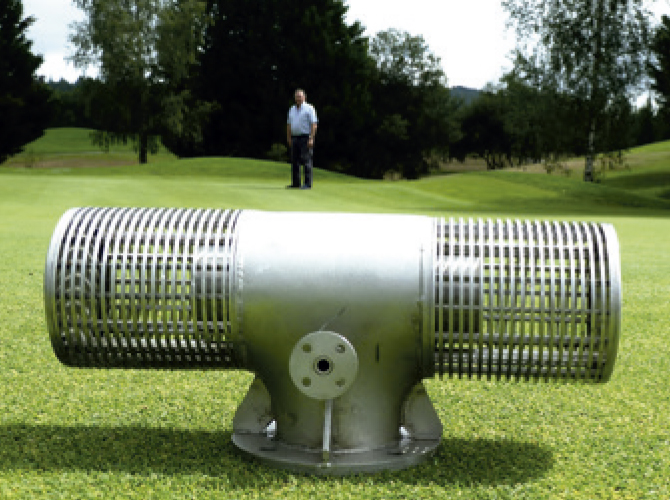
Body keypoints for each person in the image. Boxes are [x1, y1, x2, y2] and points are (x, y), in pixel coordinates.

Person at [286, 89, 318, 189]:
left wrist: (311, 138)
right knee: (295, 161)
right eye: (297, 97)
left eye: (300, 96)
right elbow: (289, 124)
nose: (298, 98)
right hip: (295, 137)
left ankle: (307, 183)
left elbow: (314, 124)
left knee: (306, 160)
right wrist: (289, 137)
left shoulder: (309, 108)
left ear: (304, 97)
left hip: (305, 137)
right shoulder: (292, 109)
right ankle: (296, 183)